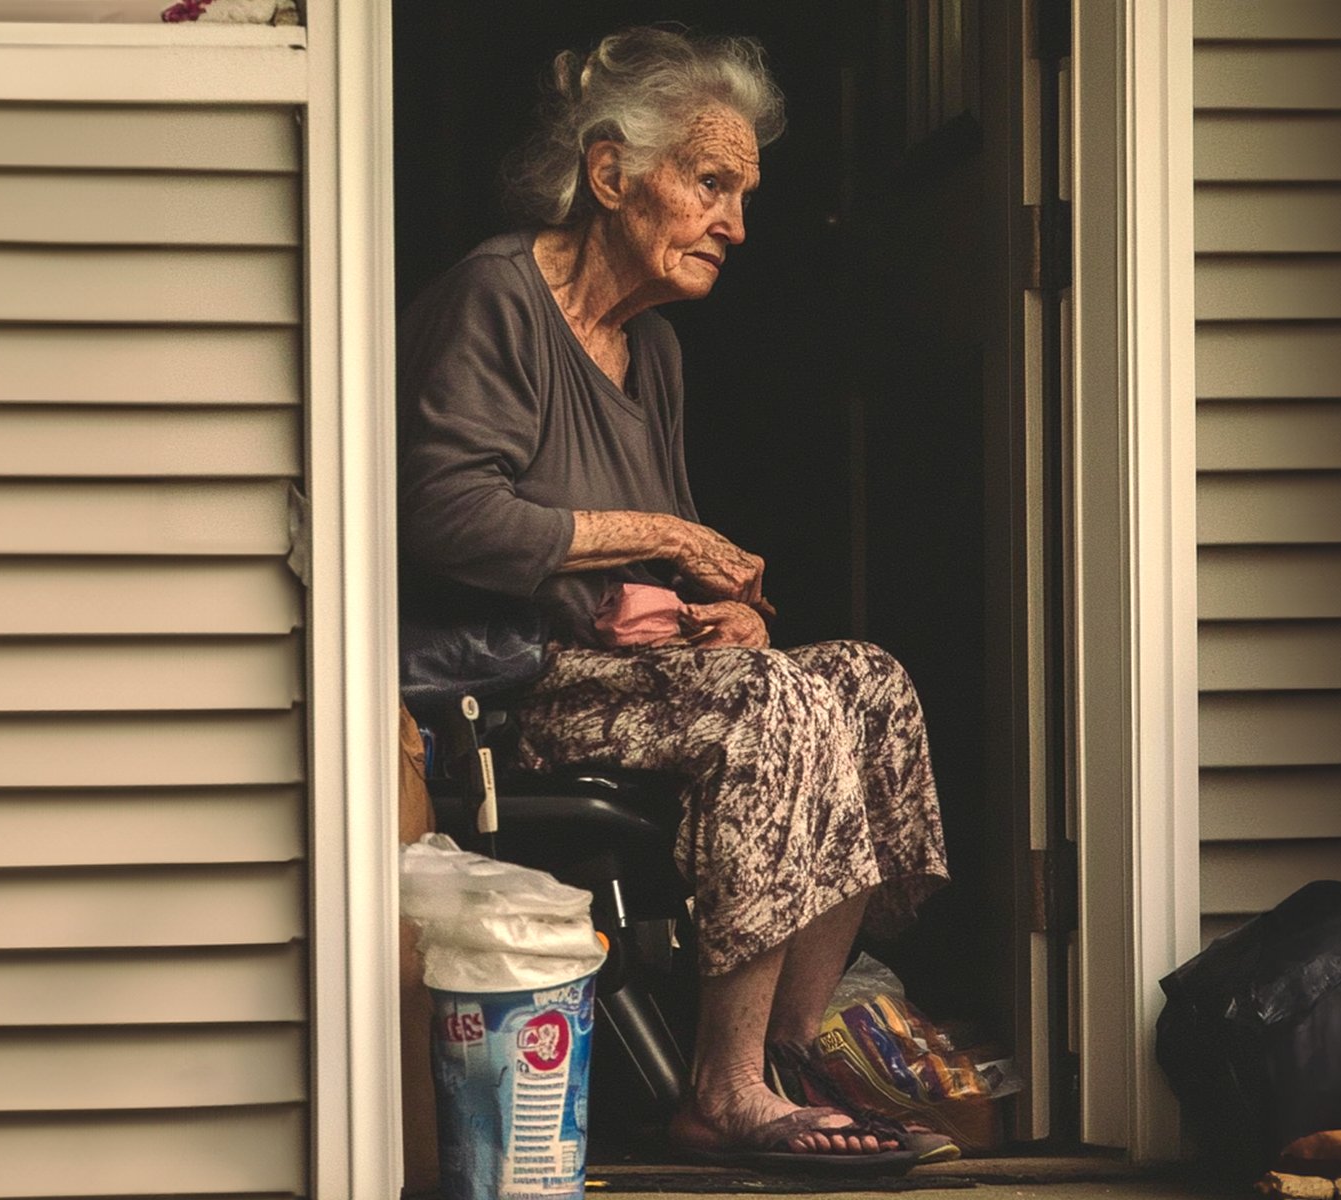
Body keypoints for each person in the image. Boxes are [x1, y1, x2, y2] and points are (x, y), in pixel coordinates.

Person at [397, 26, 952, 1172]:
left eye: (743, 193)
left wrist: (724, 611)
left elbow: (659, 571)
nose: (736, 224)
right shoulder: (496, 300)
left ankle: (792, 1057)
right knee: (767, 705)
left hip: (628, 672)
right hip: (511, 686)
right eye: (710, 184)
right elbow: (445, 515)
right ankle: (725, 1090)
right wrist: (670, 539)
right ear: (609, 175)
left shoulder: (654, 354)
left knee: (865, 682)